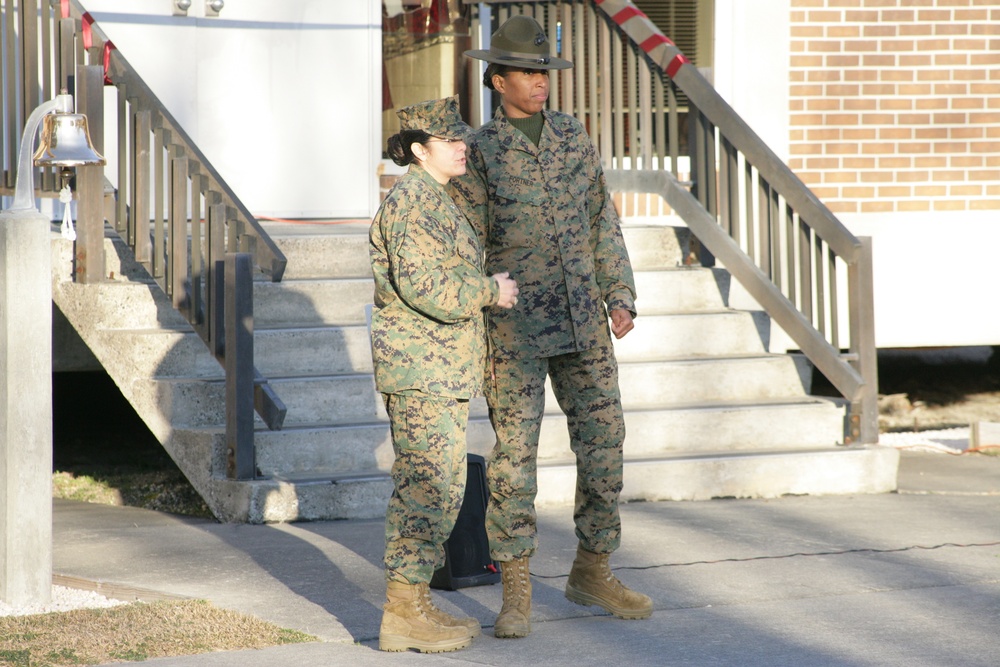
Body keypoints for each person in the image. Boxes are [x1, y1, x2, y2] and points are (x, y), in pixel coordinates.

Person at [451, 15, 653, 639]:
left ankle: (593, 568)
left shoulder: (571, 135)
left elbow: (601, 219)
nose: (541, 84)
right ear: (498, 80)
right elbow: (466, 242)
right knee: (516, 458)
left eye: (546, 73)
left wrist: (619, 292)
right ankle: (515, 588)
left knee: (605, 442)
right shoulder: (478, 153)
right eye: (530, 74)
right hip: (513, 331)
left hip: (583, 321)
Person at [369, 95, 519, 653]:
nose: (462, 147)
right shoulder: (413, 204)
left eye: (463, 138)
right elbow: (424, 287)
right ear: (416, 150)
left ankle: (414, 604)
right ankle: (401, 613)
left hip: (441, 368)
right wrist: (490, 291)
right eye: (449, 141)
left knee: (444, 486)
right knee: (425, 487)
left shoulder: (438, 198)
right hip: (422, 369)